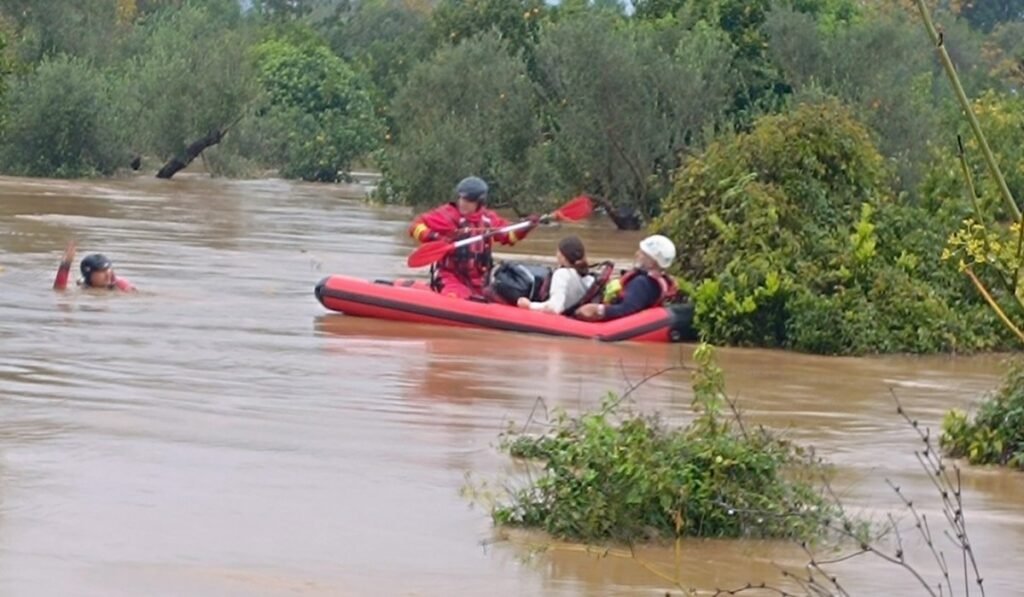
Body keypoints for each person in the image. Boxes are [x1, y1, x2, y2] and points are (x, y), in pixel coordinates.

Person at [409, 176, 538, 299]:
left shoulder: (489, 220)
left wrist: (525, 228)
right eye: (461, 198)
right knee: (454, 297)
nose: (462, 203)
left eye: (468, 201)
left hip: (481, 282)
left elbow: (510, 237)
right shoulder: (447, 215)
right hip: (452, 278)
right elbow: (416, 226)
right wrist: (435, 237)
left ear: (479, 202)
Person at [575, 234, 677, 321]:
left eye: (642, 253)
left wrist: (597, 309)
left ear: (652, 262)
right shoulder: (661, 281)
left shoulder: (642, 283)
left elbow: (626, 310)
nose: (636, 254)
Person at [517, 235, 593, 314]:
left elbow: (554, 307)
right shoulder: (589, 279)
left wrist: (529, 305)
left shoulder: (561, 274)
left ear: (563, 257)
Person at [53, 241, 136, 292]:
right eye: (102, 271)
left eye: (108, 269)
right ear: (89, 275)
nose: (107, 274)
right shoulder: (82, 287)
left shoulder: (120, 285)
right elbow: (59, 291)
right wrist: (65, 264)